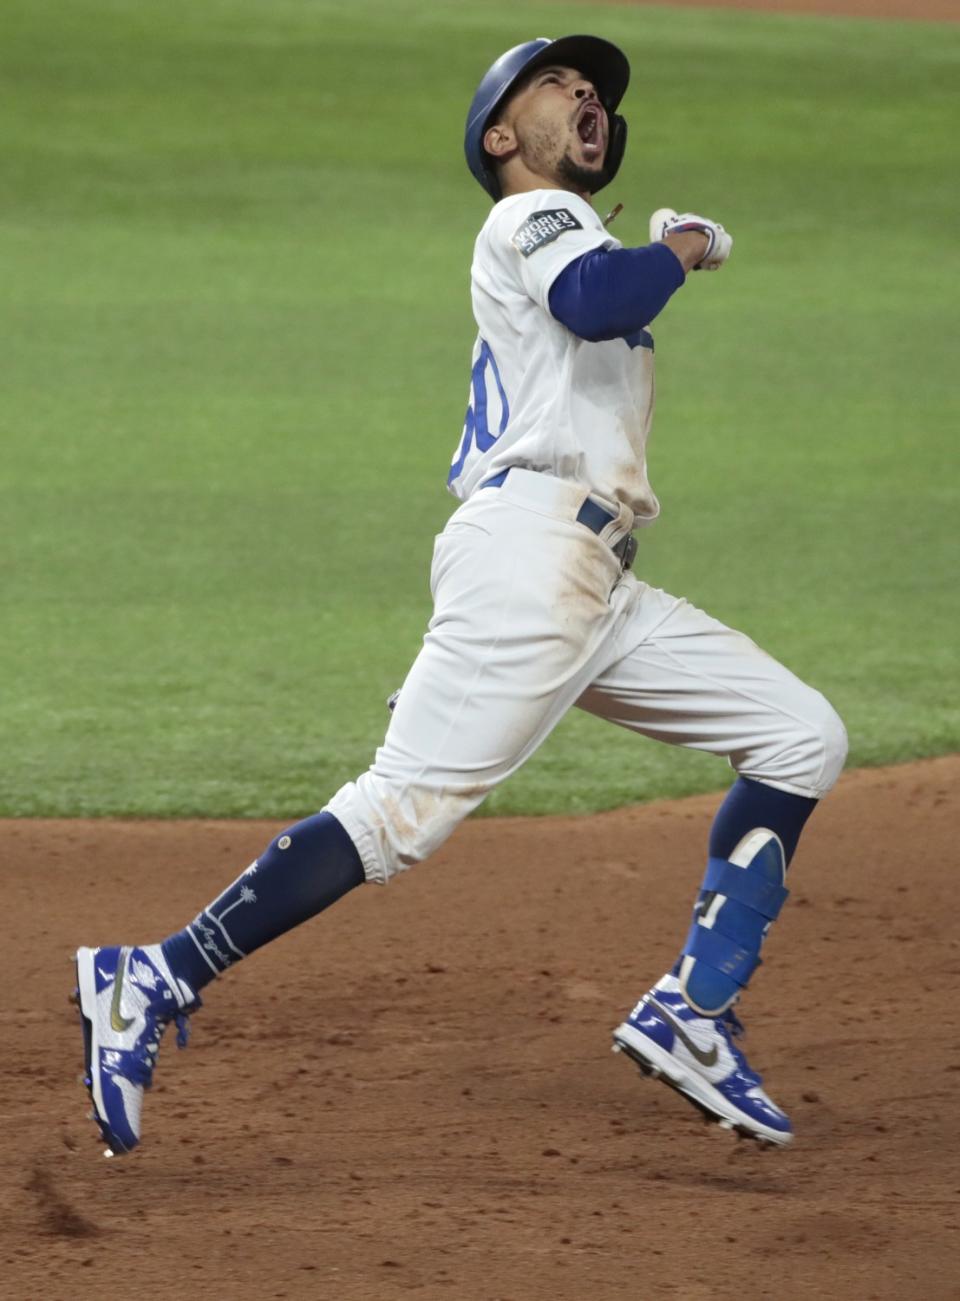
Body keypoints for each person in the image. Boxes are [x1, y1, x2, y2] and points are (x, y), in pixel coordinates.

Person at [73, 34, 847, 1156]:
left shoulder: (570, 230)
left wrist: (652, 253)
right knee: (397, 815)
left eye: (594, 91)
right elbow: (594, 295)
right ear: (501, 137)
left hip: (592, 579)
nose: (585, 94)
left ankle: (693, 1007)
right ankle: (149, 975)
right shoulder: (529, 218)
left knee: (799, 736)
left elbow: (594, 304)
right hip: (532, 561)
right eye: (555, 85)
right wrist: (682, 240)